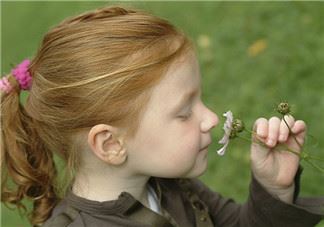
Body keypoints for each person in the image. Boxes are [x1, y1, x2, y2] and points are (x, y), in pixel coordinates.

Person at [1, 6, 323, 227]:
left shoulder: (172, 187)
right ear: (110, 143)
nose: (211, 118)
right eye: (184, 112)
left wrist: (273, 190)